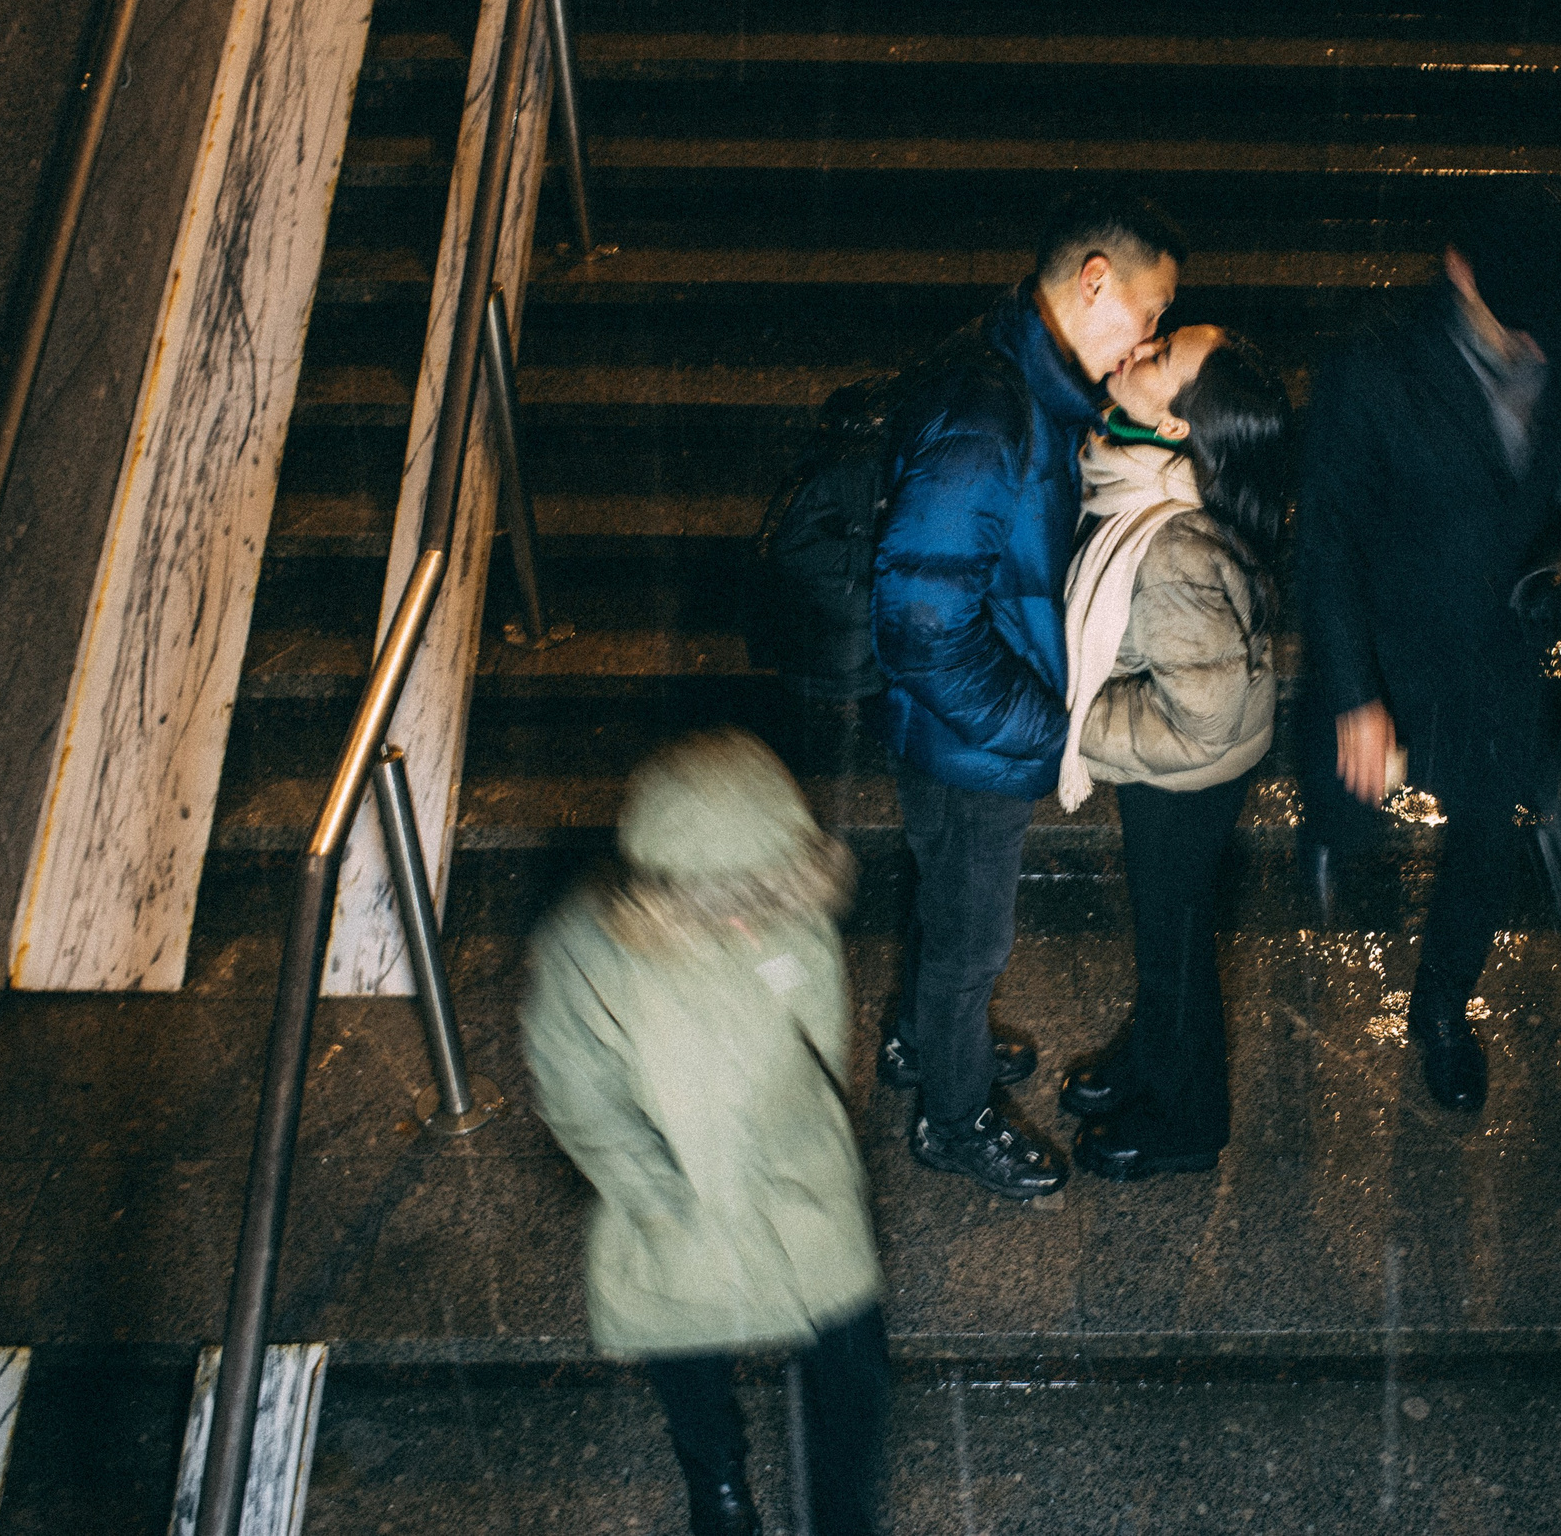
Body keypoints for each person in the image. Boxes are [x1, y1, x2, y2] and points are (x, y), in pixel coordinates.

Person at [870, 190, 1186, 1197]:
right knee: (973, 943)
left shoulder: (1017, 379)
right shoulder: (992, 409)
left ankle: (924, 1039)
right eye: (1150, 312)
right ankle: (952, 1120)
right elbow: (922, 626)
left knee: (943, 903)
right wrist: (1047, 729)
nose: (1151, 339)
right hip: (974, 739)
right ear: (1096, 282)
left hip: (953, 729)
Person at [521, 729, 886, 1536]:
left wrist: (823, 1147)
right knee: (686, 1356)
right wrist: (655, 1198)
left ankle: (843, 1513)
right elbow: (578, 1097)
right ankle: (718, 1481)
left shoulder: (795, 916)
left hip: (800, 1182)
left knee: (854, 1366)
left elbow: (824, 1040)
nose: (744, 907)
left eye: (764, 883)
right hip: (675, 1200)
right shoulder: (587, 952)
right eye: (721, 891)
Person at [1294, 181, 1561, 1113]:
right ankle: (1328, 844)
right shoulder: (1371, 368)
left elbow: (1560, 503)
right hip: (1388, 650)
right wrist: (1354, 693)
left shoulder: (1559, 344)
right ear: (1461, 272)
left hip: (1497, 655)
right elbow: (1328, 541)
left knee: (1486, 844)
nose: (1536, 347)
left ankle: (1441, 1008)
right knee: (1349, 802)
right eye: (1517, 322)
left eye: (1549, 330)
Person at [1047, 325, 1291, 1179]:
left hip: (1189, 775)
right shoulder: (1150, 477)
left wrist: (1075, 724)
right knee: (1165, 936)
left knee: (1175, 950)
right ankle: (1151, 1056)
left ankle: (1188, 1121)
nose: (1136, 349)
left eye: (1157, 358)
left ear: (1180, 424)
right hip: (1181, 765)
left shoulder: (1175, 544)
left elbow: (1199, 723)